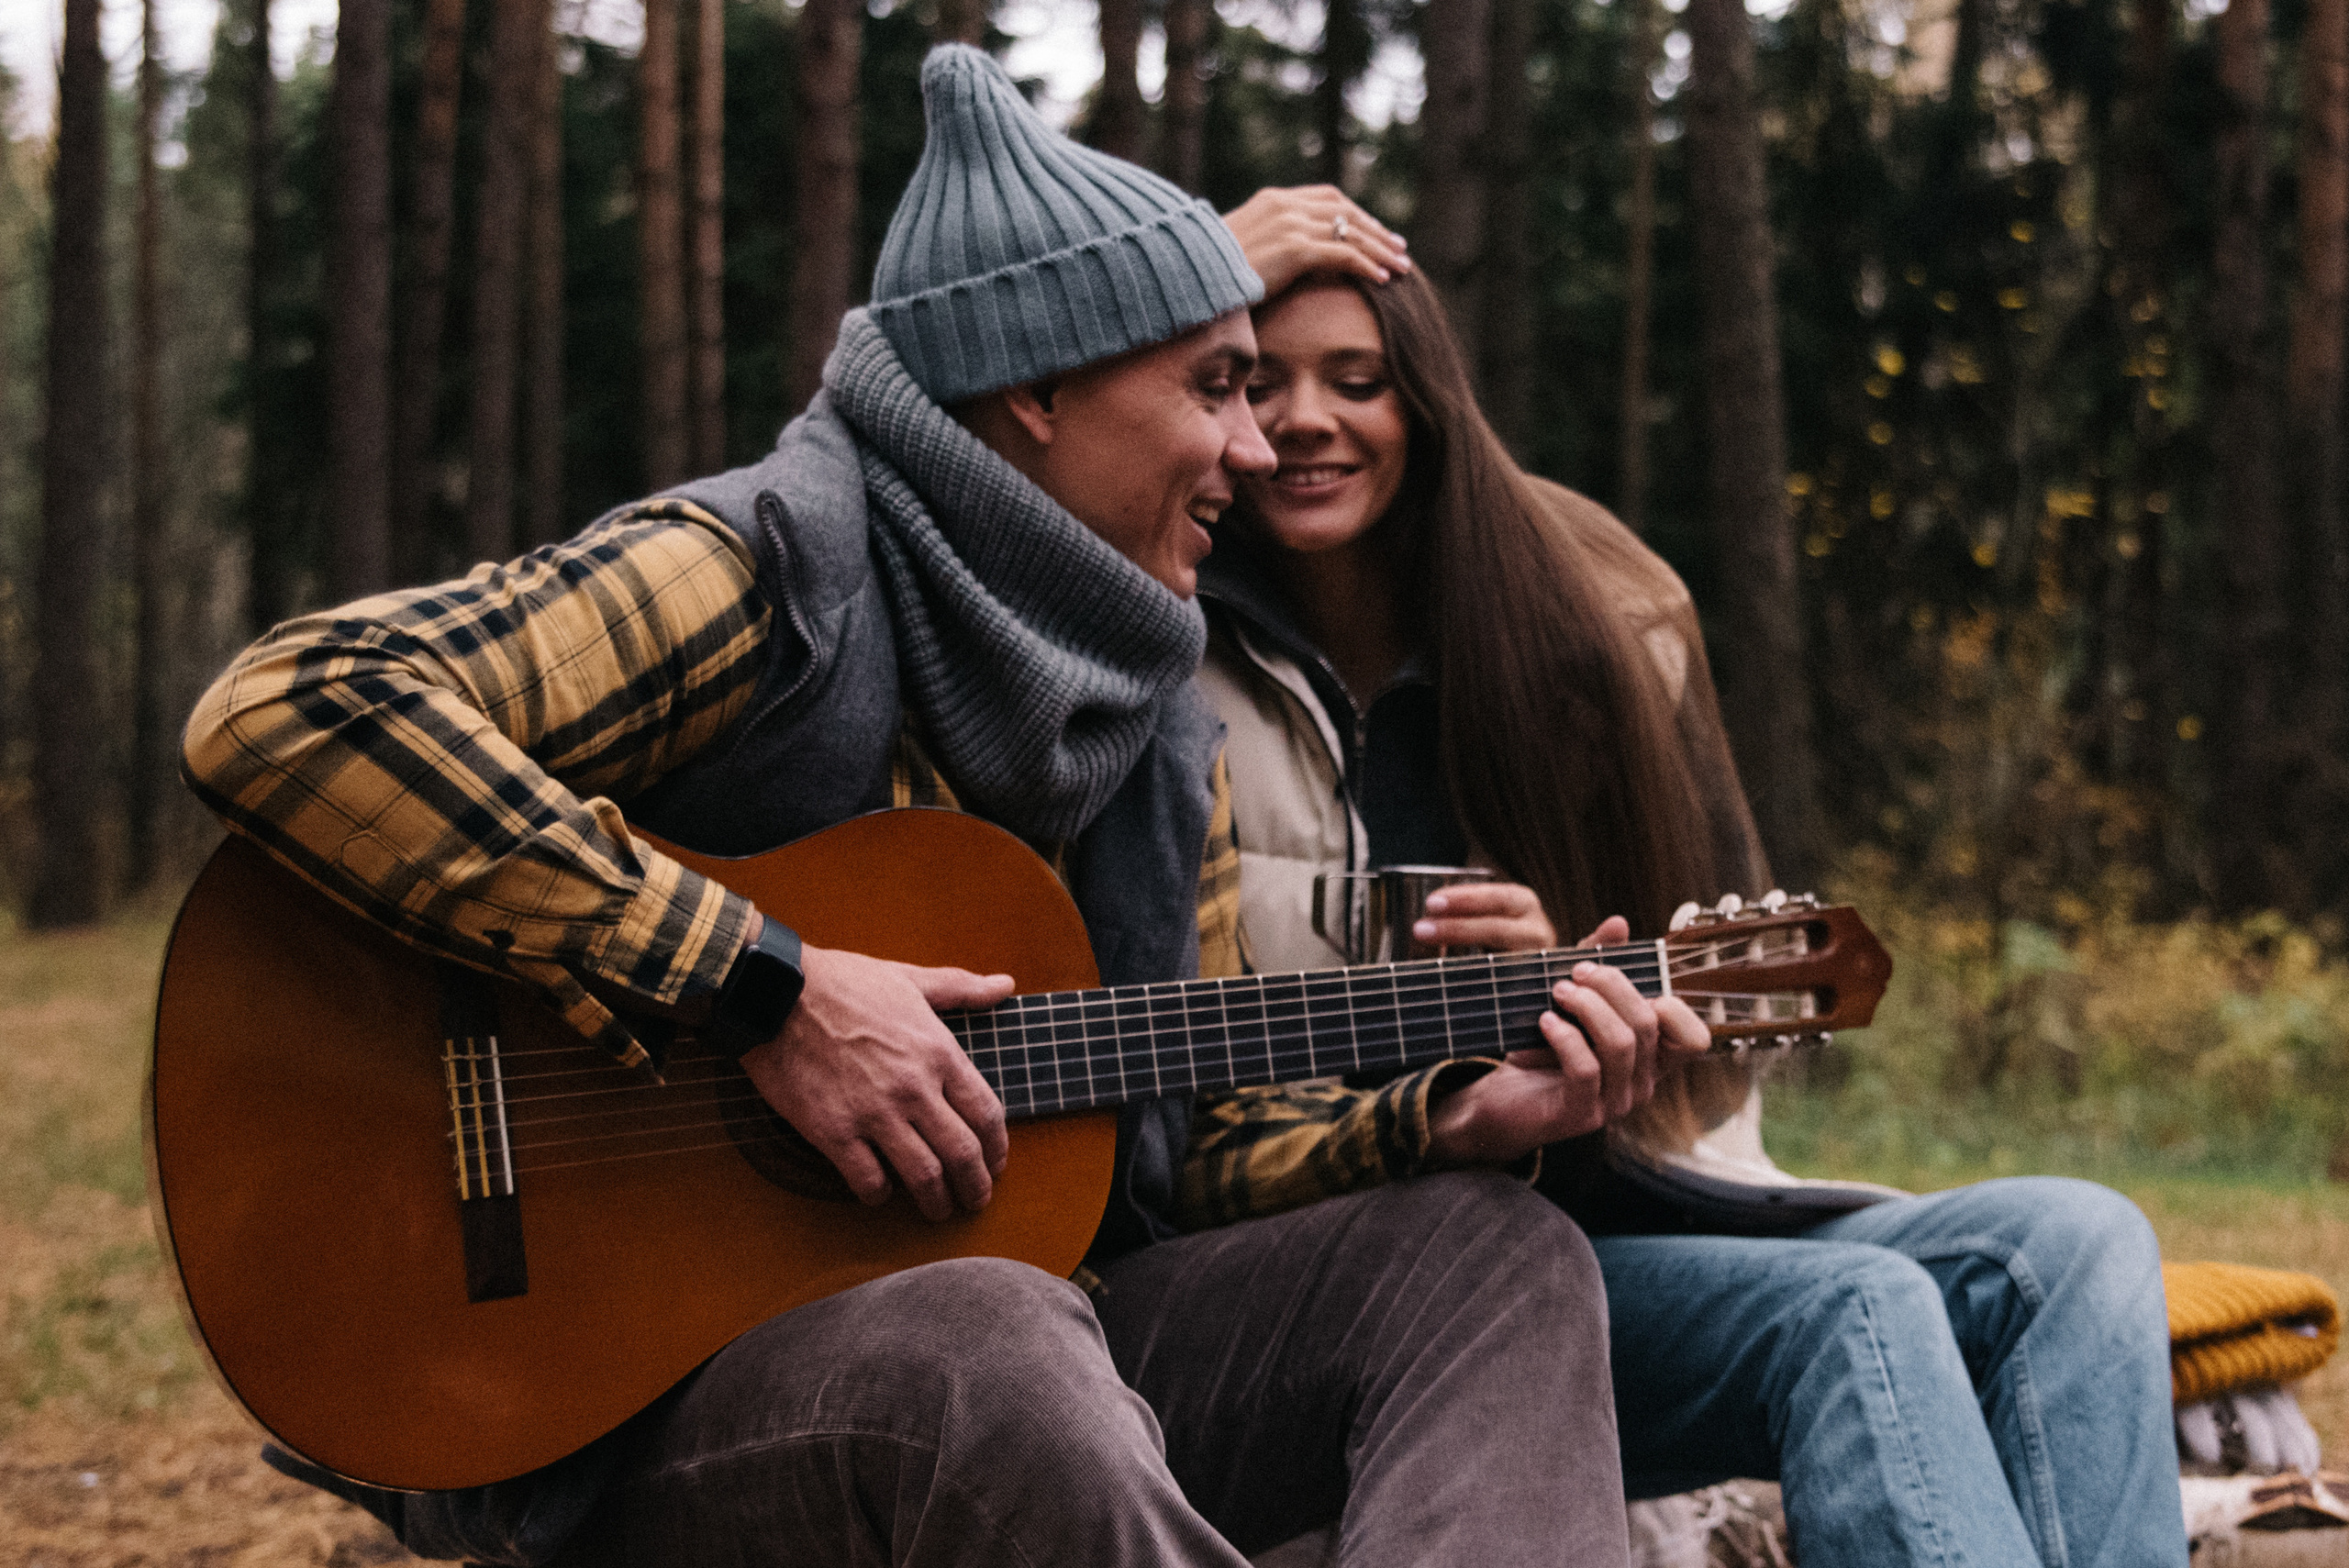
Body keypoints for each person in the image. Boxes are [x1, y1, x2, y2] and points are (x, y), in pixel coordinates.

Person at [181, 50, 1657, 1568]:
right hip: (627, 1409)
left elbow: (1186, 1144)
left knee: (1492, 1254)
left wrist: (1453, 1112)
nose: (1259, 446)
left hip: (1042, 1377)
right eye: (1215, 384)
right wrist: (766, 988)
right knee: (987, 1335)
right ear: (1036, 387)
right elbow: (295, 705)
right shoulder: (758, 574)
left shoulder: (1161, 721)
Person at [1191, 187, 2191, 1568]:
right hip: (1383, 1271)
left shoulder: (1545, 642)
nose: (1305, 418)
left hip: (1590, 1219)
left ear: (1426, 404)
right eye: (1260, 379)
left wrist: (1561, 1002)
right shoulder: (1148, 634)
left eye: (1356, 380)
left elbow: (1679, 1076)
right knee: (1856, 1311)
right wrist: (1191, 268)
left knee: (2080, 1239)